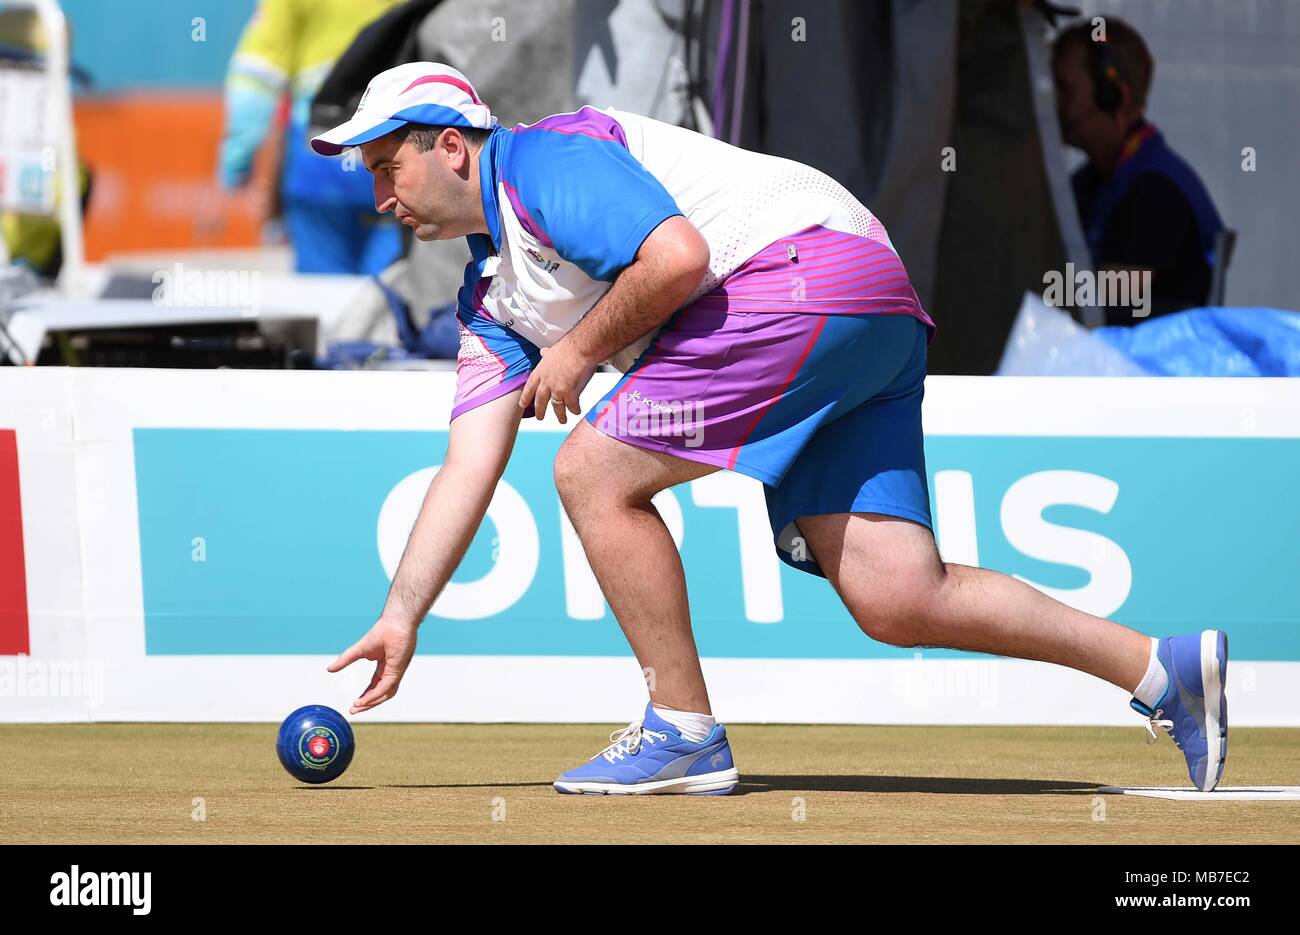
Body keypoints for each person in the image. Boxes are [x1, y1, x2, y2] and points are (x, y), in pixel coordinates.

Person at [318, 63, 1227, 795]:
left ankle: (680, 729)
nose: (380, 198)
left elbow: (678, 258)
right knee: (895, 593)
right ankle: (1160, 669)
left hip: (803, 276)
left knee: (591, 471)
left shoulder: (546, 160)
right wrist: (402, 617)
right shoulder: (493, 301)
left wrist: (578, 352)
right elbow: (468, 461)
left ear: (450, 147)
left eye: (385, 165)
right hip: (866, 301)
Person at [1052, 17, 1225, 321]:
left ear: (1115, 96)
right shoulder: (1089, 183)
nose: (1053, 102)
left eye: (1065, 89)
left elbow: (1093, 299)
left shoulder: (1157, 191)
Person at [219, 0, 404, 275]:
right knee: (389, 299)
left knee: (324, 301)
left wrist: (237, 159)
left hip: (319, 164)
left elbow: (256, 74)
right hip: (397, 163)